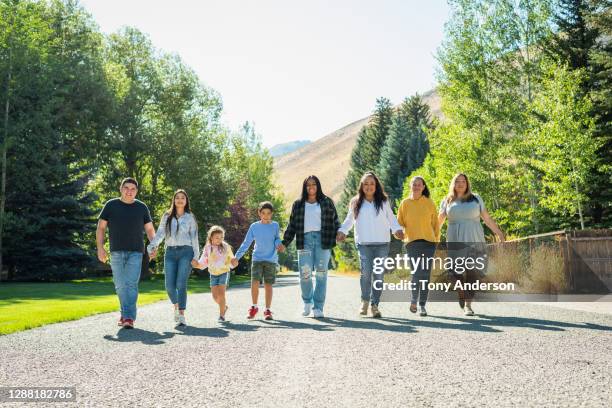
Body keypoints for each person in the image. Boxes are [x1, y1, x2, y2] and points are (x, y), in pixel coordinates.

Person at [337, 172, 404, 318]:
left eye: (372, 184)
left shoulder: (383, 201)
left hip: (382, 243)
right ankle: (365, 301)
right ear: (362, 186)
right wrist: (342, 231)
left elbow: (391, 217)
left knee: (379, 276)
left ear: (376, 185)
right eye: (366, 184)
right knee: (366, 274)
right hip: (364, 243)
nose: (369, 186)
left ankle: (375, 305)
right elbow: (349, 220)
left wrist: (397, 229)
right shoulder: (356, 202)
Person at [438, 173, 505, 316]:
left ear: (467, 184)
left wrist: (498, 233)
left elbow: (486, 218)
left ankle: (468, 304)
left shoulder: (476, 198)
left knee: (473, 273)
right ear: (453, 184)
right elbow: (439, 221)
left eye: (463, 181)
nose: (461, 184)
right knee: (453, 273)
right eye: (458, 181)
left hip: (475, 239)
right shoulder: (447, 200)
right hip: (455, 240)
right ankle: (461, 292)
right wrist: (430, 237)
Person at [96, 177, 156, 329]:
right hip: (116, 251)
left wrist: (153, 245)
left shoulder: (141, 207)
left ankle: (128, 317)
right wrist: (100, 247)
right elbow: (101, 227)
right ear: (121, 189)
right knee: (120, 285)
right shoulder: (111, 205)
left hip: (136, 252)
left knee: (131, 284)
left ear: (136, 191)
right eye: (126, 188)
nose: (129, 191)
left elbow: (149, 229)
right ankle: (125, 313)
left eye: (133, 189)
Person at [282, 175, 340, 319]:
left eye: (313, 184)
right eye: (308, 185)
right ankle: (307, 302)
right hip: (305, 240)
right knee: (305, 274)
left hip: (323, 240)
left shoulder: (326, 202)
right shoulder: (298, 204)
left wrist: (339, 233)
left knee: (321, 274)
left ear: (318, 186)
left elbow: (336, 221)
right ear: (305, 187)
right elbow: (292, 225)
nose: (311, 187)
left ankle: (318, 307)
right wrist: (285, 242)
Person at [147, 189, 199, 326]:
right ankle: (176, 306)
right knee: (169, 286)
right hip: (169, 252)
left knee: (181, 284)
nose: (180, 200)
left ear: (186, 201)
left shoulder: (190, 217)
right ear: (174, 200)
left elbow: (194, 237)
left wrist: (196, 256)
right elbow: (159, 234)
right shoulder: (167, 216)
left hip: (186, 252)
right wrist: (151, 246)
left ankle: (181, 315)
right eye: (177, 198)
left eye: (183, 197)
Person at [232, 201, 285, 320]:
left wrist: (279, 244)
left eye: (268, 213)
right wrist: (237, 257)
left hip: (271, 259)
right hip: (257, 258)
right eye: (263, 213)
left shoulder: (275, 225)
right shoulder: (254, 226)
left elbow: (276, 239)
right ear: (259, 213)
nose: (266, 216)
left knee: (268, 284)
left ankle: (267, 310)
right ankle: (254, 307)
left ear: (272, 214)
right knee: (254, 282)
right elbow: (246, 243)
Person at [397, 176, 439, 317]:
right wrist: (398, 234)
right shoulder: (405, 203)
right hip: (412, 243)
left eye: (419, 185)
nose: (416, 187)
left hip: (429, 243)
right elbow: (399, 223)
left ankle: (422, 305)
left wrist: (436, 241)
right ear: (411, 186)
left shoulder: (429, 203)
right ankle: (414, 300)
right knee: (416, 273)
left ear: (423, 187)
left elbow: (435, 225)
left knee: (425, 274)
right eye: (414, 184)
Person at [192, 226, 234, 322]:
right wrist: (197, 264)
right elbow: (203, 261)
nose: (220, 240)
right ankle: (224, 307)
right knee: (215, 297)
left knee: (221, 294)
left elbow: (231, 258)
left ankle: (222, 315)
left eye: (221, 237)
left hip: (224, 272)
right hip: (213, 274)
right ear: (211, 237)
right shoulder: (208, 248)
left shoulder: (226, 247)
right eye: (217, 237)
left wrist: (233, 262)